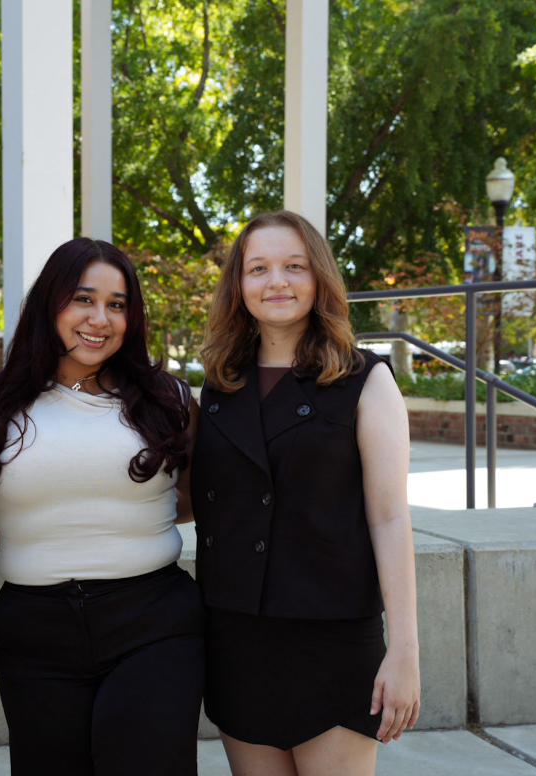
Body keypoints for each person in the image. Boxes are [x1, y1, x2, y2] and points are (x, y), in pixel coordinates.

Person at [0, 237, 203, 776]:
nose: (101, 319)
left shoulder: (169, 400)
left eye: (117, 304)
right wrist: (27, 531)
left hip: (153, 623)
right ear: (50, 304)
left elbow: (190, 501)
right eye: (83, 299)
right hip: (35, 631)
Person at [192, 210, 421, 776]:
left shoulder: (367, 379)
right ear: (238, 284)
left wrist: (405, 651)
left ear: (319, 278)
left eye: (294, 266)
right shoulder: (218, 385)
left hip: (333, 636)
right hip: (237, 635)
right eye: (259, 268)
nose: (277, 282)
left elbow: (390, 518)